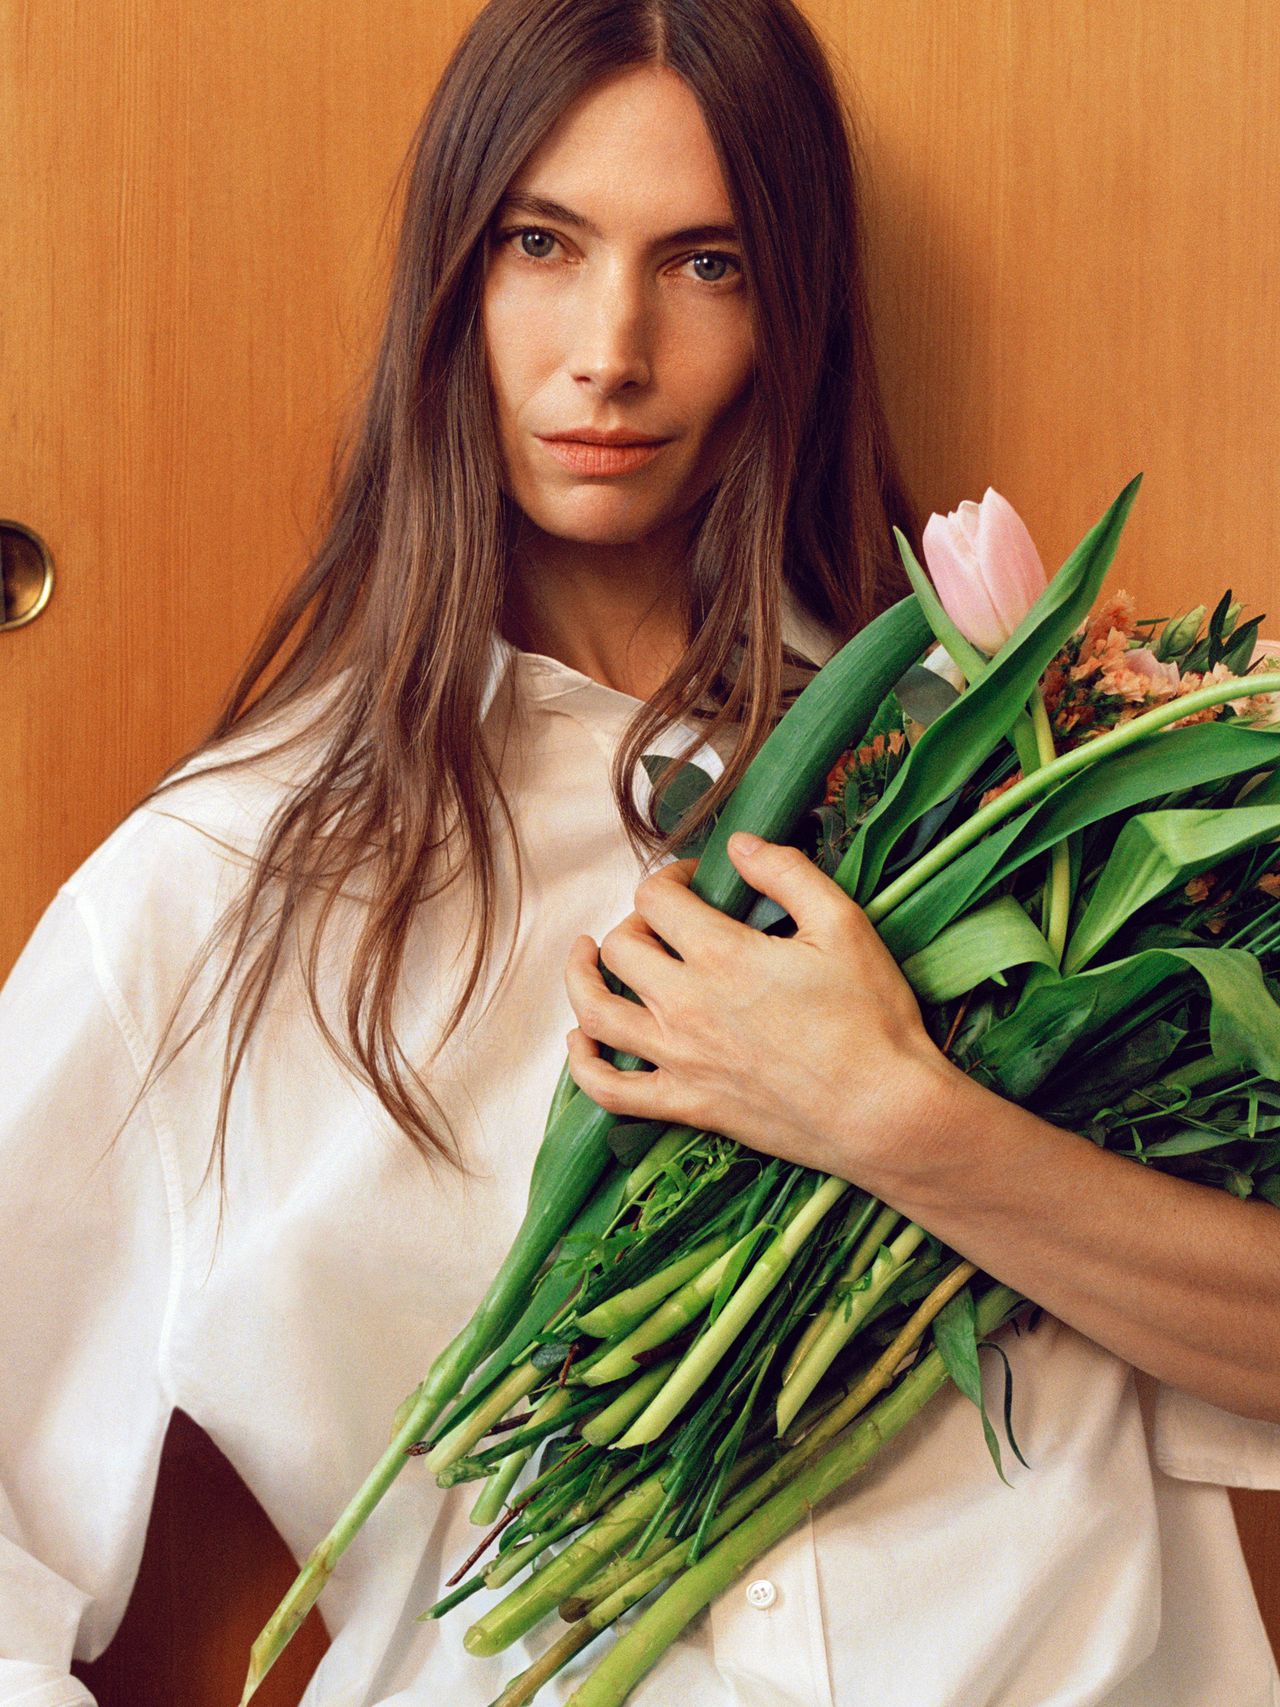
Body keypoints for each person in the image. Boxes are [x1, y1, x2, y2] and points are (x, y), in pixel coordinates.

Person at [2, 2, 1278, 1704]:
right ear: (451, 281)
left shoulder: (1052, 794)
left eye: (707, 263)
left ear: (795, 310)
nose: (610, 345)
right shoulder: (216, 895)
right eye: (542, 243)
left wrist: (901, 1123)